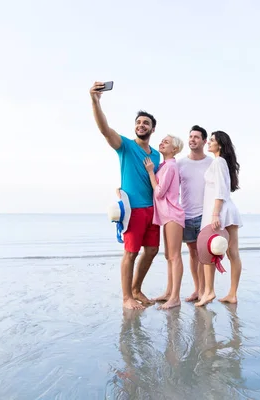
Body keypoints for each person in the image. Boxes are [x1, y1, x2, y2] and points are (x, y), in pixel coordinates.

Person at [90, 81, 161, 310]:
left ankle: (136, 288)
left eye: (146, 123)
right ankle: (126, 297)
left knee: (151, 251)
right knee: (130, 253)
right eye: (139, 122)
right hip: (133, 211)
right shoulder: (126, 146)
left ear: (152, 129)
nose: (141, 125)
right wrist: (95, 100)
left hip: (153, 211)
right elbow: (104, 130)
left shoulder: (158, 156)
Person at [196, 131, 243, 307]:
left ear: (220, 145)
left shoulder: (218, 161)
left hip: (221, 211)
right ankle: (228, 294)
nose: (208, 143)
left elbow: (221, 190)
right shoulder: (220, 162)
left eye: (212, 141)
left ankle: (211, 292)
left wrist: (215, 213)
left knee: (211, 250)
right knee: (231, 252)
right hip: (223, 210)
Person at [143, 135, 186, 310]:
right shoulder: (164, 166)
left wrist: (151, 172)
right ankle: (169, 292)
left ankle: (175, 297)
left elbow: (160, 192)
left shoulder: (170, 166)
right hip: (166, 215)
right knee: (169, 255)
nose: (161, 143)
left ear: (174, 149)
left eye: (166, 142)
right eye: (161, 140)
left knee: (174, 256)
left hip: (173, 215)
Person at [176, 125, 213, 302]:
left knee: (204, 254)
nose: (192, 139)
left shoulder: (211, 162)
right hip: (186, 215)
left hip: (205, 215)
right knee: (192, 253)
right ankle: (198, 289)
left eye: (196, 137)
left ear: (204, 141)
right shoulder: (180, 163)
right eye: (190, 136)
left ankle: (207, 290)